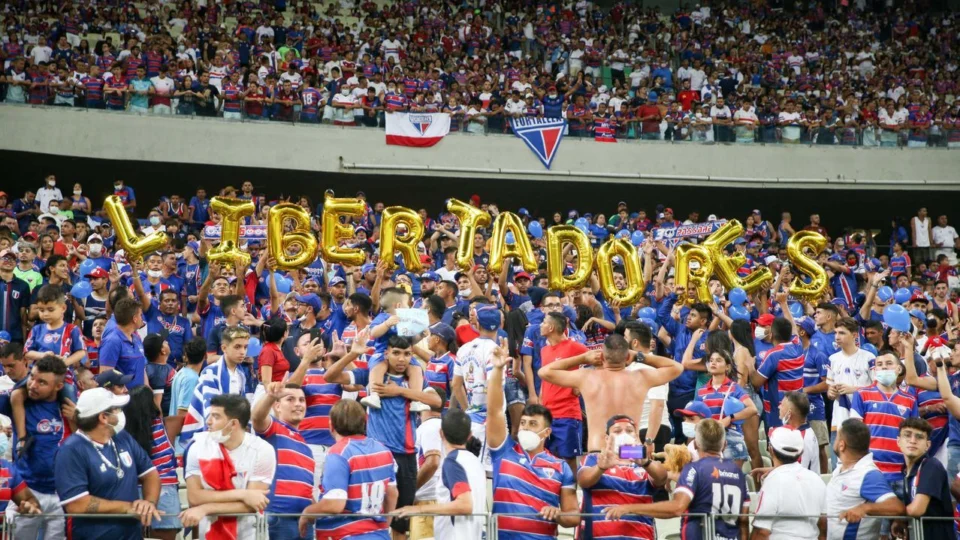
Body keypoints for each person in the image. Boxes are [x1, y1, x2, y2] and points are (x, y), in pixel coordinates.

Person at [323, 332, 441, 538]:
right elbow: (330, 376)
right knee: (368, 514)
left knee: (400, 521)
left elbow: (437, 402)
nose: (402, 358)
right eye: (396, 353)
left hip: (406, 454)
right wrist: (353, 354)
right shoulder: (372, 375)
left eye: (406, 353)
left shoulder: (414, 378)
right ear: (386, 354)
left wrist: (400, 391)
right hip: (376, 456)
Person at [486, 338, 580, 538]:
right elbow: (494, 411)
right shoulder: (503, 452)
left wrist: (559, 514)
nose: (525, 428)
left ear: (547, 432)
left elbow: (573, 517)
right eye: (523, 423)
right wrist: (497, 372)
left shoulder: (561, 467)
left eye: (533, 424)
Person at [602, 419, 750, 540]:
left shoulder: (694, 469)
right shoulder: (738, 474)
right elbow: (743, 521)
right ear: (724, 445)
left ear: (697, 444)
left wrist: (628, 508)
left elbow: (677, 507)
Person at [538, 333, 682, 452]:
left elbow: (544, 372)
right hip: (631, 450)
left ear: (601, 356)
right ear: (627, 357)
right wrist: (639, 356)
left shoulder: (587, 377)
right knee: (633, 486)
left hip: (599, 449)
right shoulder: (641, 377)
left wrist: (583, 358)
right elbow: (677, 367)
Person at [56, 387, 162, 540]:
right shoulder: (71, 450)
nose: (121, 413)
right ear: (103, 417)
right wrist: (126, 508)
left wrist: (148, 503)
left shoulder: (122, 437)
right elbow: (76, 504)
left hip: (131, 535)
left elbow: (150, 474)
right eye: (117, 409)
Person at [297, 399, 399, 539]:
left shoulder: (339, 453)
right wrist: (384, 526)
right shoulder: (384, 450)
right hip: (378, 534)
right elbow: (392, 494)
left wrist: (307, 513)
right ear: (365, 421)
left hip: (346, 534)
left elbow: (335, 505)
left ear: (331, 425)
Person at [181, 394, 275, 539]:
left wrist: (206, 507)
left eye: (216, 417)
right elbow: (194, 497)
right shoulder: (197, 446)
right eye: (209, 415)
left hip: (248, 533)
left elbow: (253, 504)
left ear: (233, 424)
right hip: (207, 532)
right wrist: (243, 494)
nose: (208, 422)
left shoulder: (263, 450)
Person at [8, 355, 74, 539]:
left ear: (58, 386)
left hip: (61, 492)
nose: (33, 385)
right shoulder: (19, 399)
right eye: (32, 377)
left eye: (42, 382)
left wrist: (77, 418)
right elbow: (16, 393)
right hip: (27, 491)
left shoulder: (70, 406)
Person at [396, 408, 487, 540]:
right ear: (469, 435)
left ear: (441, 433)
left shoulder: (453, 463)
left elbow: (465, 505)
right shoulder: (476, 463)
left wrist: (418, 510)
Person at [578, 415, 668, 540]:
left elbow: (662, 478)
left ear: (636, 437)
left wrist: (646, 462)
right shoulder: (595, 459)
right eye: (617, 431)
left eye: (630, 431)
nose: (624, 434)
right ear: (607, 438)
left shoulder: (644, 465)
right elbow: (583, 481)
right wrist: (601, 468)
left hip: (641, 536)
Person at [252, 381, 315, 540]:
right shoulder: (274, 428)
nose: (298, 404)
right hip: (278, 518)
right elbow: (257, 418)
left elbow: (305, 488)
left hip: (303, 521)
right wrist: (270, 396)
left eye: (301, 400)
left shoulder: (305, 446)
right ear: (277, 406)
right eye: (290, 399)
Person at [826, 419, 905, 540]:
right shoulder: (840, 470)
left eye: (836, 437)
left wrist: (864, 508)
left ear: (842, 445)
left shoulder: (868, 474)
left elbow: (897, 507)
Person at [121, 386, 181, 540]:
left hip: (131, 494)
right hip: (164, 491)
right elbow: (197, 417)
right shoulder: (169, 425)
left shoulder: (122, 434)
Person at [179, 326, 250, 446]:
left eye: (245, 347)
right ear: (224, 348)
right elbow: (211, 411)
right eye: (237, 347)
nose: (242, 351)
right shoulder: (210, 372)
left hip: (231, 429)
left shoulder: (241, 374)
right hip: (207, 433)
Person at [751, 427, 826, 540]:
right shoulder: (816, 480)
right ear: (801, 452)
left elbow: (761, 532)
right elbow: (824, 526)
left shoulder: (772, 481)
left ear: (771, 450)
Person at [538, 311, 588, 471]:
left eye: (544, 322)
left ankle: (572, 493)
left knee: (569, 460)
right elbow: (545, 380)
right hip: (547, 414)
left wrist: (580, 385)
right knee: (547, 458)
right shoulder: (544, 350)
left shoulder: (575, 347)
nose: (540, 325)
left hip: (567, 414)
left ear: (551, 327)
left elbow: (597, 362)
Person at [894, 417, 954, 540]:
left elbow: (917, 510)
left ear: (928, 445)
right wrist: (901, 521)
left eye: (919, 437)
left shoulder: (931, 466)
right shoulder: (905, 471)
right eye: (907, 435)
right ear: (898, 441)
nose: (913, 441)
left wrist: (895, 514)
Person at [409, 388, 445, 540]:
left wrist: (410, 491)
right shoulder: (443, 425)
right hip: (437, 499)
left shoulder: (430, 427)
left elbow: (432, 463)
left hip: (428, 500)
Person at [167, 337, 205, 455]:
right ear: (205, 356)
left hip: (179, 441)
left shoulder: (182, 372)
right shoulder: (191, 379)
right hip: (183, 444)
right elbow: (182, 413)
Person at [98, 297, 147, 388]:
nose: (142, 318)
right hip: (122, 399)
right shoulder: (112, 341)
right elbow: (105, 377)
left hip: (140, 397)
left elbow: (142, 370)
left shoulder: (137, 339)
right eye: (140, 315)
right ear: (135, 319)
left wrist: (148, 390)